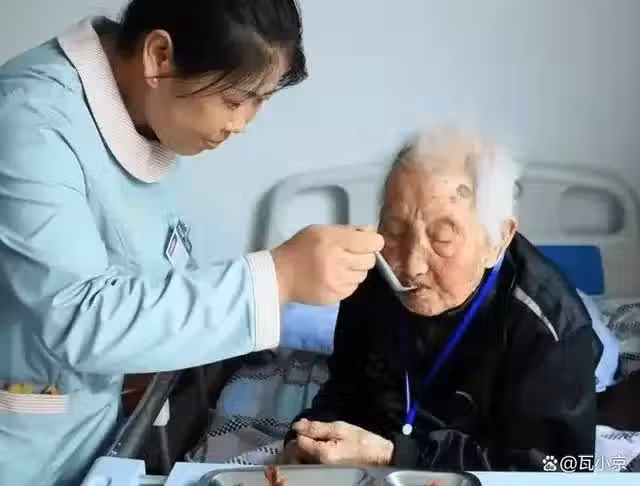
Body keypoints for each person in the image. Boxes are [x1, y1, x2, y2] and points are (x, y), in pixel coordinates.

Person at [0, 1, 384, 485]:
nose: (241, 124)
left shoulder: (147, 114)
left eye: (260, 101)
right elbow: (77, 315)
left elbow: (156, 262)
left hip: (90, 425)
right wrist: (278, 277)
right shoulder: (28, 122)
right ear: (159, 55)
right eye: (235, 100)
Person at [282, 130, 600, 471]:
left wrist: (395, 454)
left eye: (443, 237)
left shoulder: (550, 328)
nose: (411, 266)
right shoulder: (375, 273)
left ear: (497, 240)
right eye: (395, 229)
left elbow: (560, 467)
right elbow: (345, 392)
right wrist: (308, 437)